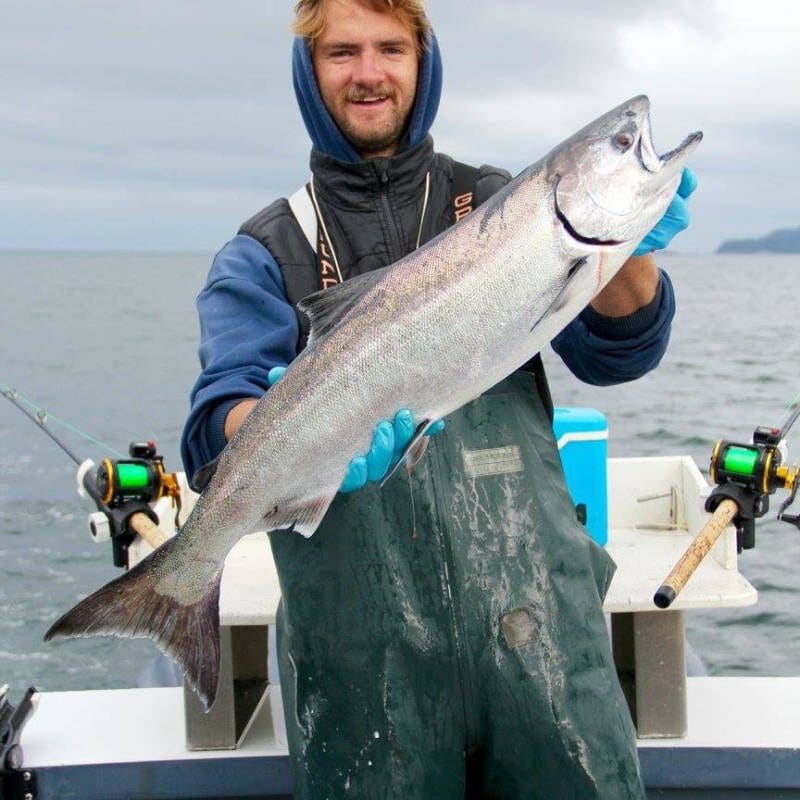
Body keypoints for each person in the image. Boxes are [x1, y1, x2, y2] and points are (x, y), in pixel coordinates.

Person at [181, 1, 696, 797]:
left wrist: (628, 246)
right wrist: (290, 429)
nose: (368, 73)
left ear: (423, 62)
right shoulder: (264, 252)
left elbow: (617, 355)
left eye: (391, 48)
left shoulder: (498, 203)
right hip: (365, 668)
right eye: (341, 52)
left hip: (543, 639)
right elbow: (218, 419)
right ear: (308, 72)